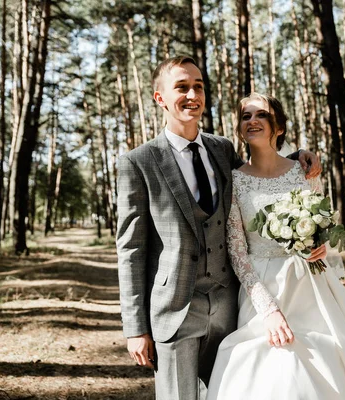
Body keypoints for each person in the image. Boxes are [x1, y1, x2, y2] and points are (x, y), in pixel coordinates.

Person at [116, 56, 321, 400]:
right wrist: (135, 328)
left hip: (228, 308)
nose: (192, 94)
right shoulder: (138, 162)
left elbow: (262, 177)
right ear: (160, 98)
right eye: (181, 87)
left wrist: (299, 153)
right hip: (175, 309)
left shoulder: (221, 149)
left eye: (198, 86)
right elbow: (131, 251)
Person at [206, 93, 345, 399]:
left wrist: (319, 246)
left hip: (311, 285)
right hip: (261, 286)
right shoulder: (235, 181)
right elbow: (238, 253)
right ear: (239, 128)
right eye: (245, 116)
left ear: (278, 125)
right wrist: (268, 310)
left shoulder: (304, 170)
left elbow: (323, 222)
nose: (252, 121)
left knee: (325, 360)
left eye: (261, 115)